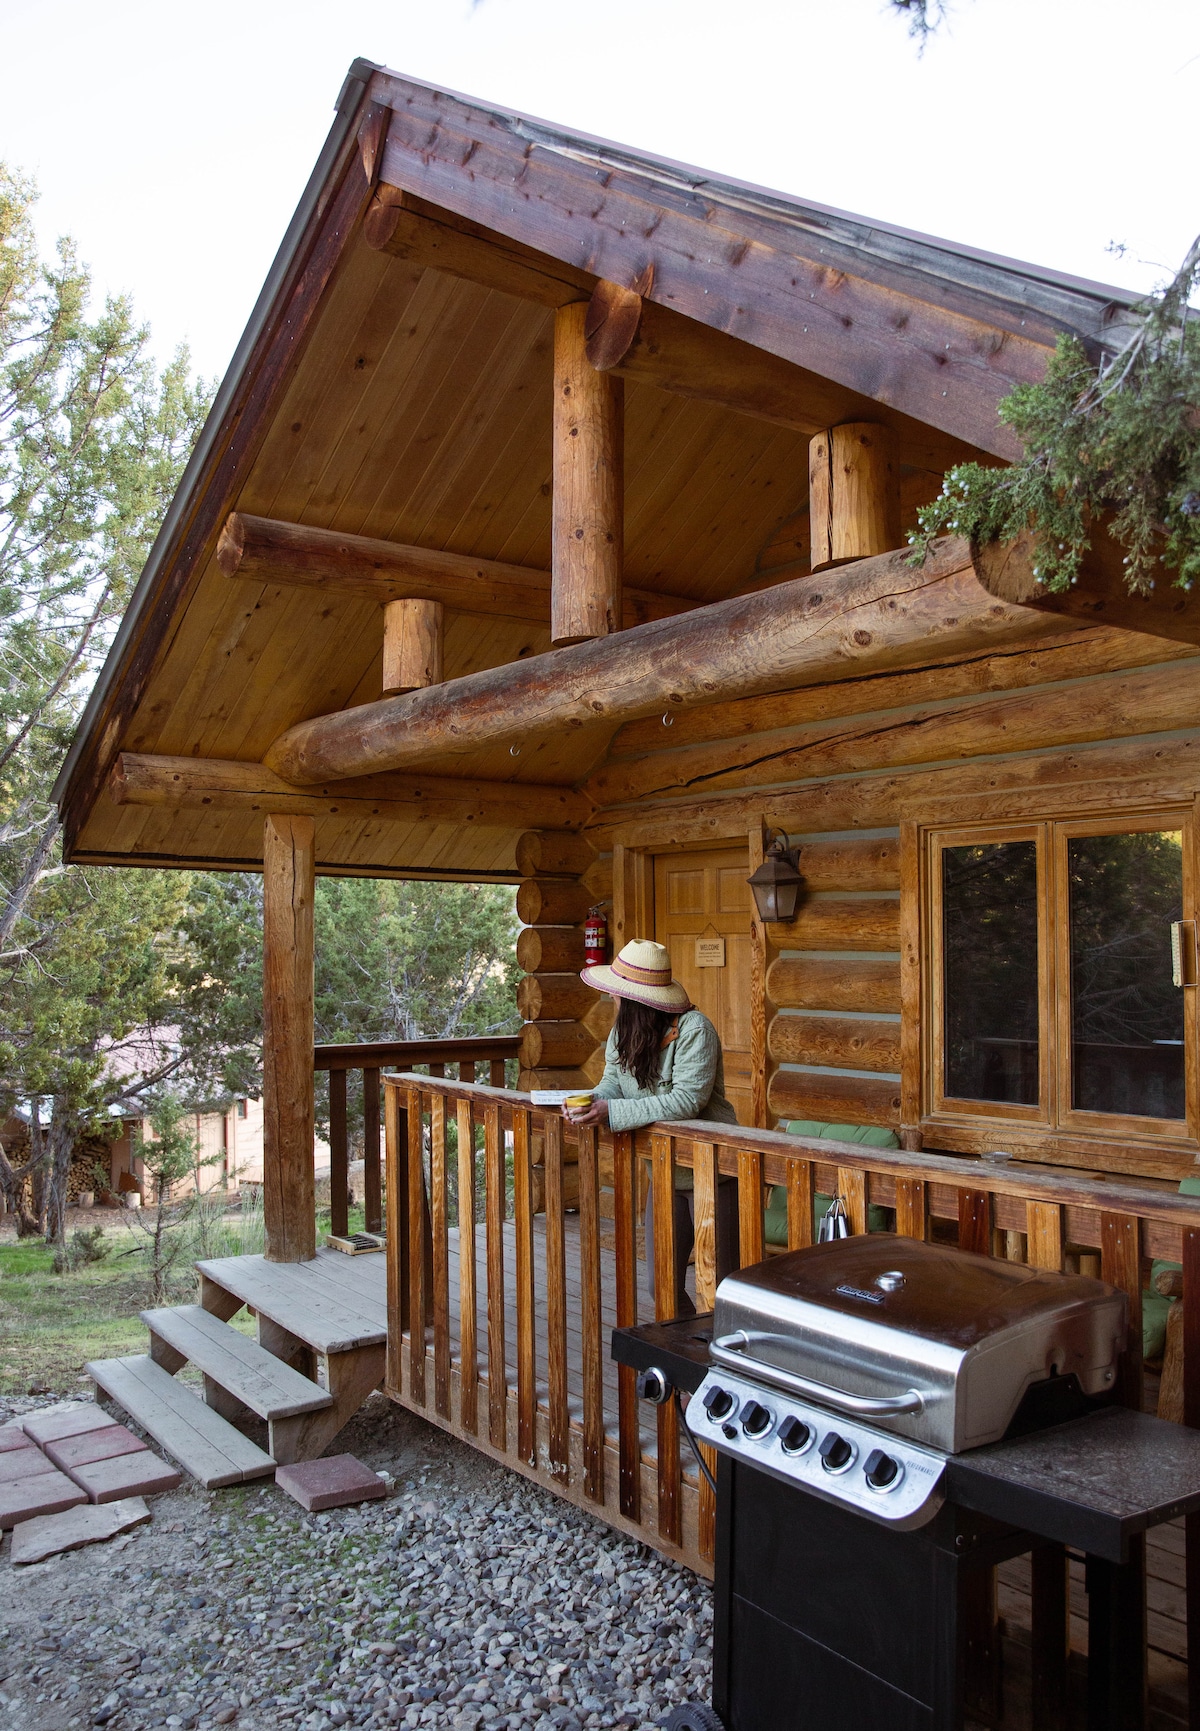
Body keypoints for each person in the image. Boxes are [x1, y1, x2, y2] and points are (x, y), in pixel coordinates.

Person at [568, 939, 739, 1316]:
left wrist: (611, 1112)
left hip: (713, 1171)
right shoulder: (622, 1034)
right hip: (662, 1172)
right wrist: (592, 1100)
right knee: (659, 1284)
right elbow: (612, 1082)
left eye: (615, 993)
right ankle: (684, 1360)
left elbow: (685, 1102)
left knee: (723, 1285)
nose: (611, 999)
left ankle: (722, 1367)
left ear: (631, 1000)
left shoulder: (696, 1030)